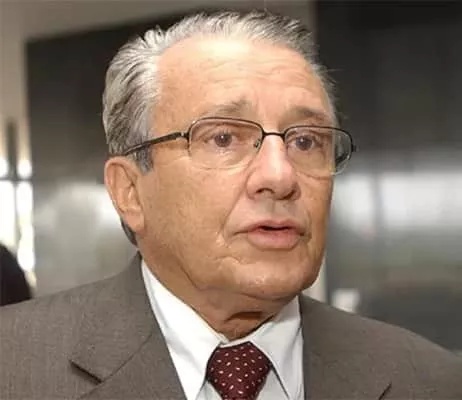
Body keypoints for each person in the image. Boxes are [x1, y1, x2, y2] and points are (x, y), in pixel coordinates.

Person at [0, 10, 461, 400]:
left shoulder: (431, 381)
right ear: (130, 192)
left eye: (305, 141)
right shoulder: (15, 365)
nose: (280, 176)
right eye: (223, 138)